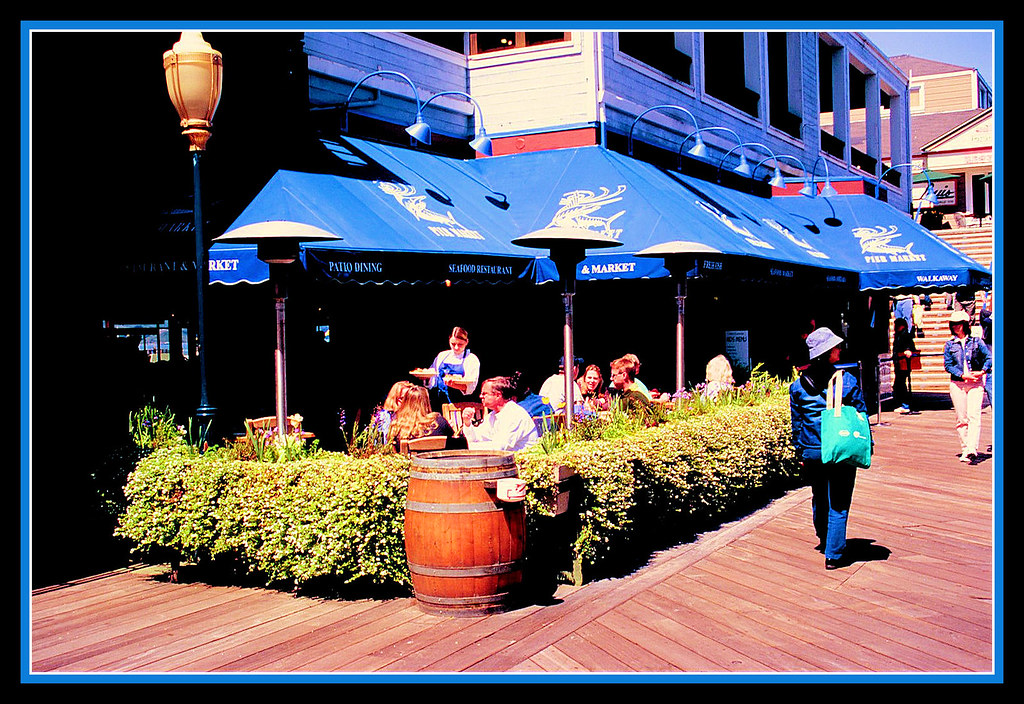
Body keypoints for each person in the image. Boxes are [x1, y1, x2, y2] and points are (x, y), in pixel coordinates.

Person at [789, 326, 869, 570]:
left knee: (819, 496)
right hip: (841, 448)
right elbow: (861, 415)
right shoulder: (847, 382)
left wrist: (800, 452)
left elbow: (797, 425)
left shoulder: (798, 387)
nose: (839, 349)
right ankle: (834, 554)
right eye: (835, 347)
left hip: (812, 450)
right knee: (839, 501)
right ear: (827, 353)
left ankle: (824, 538)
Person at [943, 311, 991, 464]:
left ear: (965, 324)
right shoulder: (950, 344)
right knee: (961, 418)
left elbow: (989, 358)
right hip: (958, 384)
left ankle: (971, 449)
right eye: (954, 324)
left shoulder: (977, 342)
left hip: (975, 383)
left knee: (974, 416)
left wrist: (982, 371)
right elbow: (948, 365)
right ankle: (965, 447)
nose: (956, 326)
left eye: (959, 323)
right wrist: (963, 375)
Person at [461, 376, 540, 452]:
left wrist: (467, 447)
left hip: (522, 462)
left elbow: (500, 447)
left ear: (498, 395)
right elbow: (477, 438)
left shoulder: (513, 414)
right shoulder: (492, 416)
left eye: (484, 393)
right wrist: (467, 423)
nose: (480, 396)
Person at [387, 386, 465, 450]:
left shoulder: (396, 426)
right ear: (427, 402)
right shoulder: (439, 423)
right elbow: (457, 445)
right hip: (438, 467)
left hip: (411, 467)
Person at [426, 326, 480, 407]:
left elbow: (470, 388)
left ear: (467, 342)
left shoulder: (471, 359)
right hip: (438, 401)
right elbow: (432, 377)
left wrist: (453, 384)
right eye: (453, 344)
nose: (456, 347)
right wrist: (426, 378)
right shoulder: (442, 355)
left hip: (459, 404)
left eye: (460, 344)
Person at [608, 356, 658, 422]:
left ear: (624, 375)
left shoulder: (636, 396)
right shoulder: (626, 394)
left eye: (614, 375)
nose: (611, 378)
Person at [891, 318, 917, 414]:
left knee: (900, 384)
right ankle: (902, 403)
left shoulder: (905, 335)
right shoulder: (898, 335)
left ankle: (905, 405)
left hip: (903, 363)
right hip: (899, 363)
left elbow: (909, 346)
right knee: (898, 384)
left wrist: (908, 350)